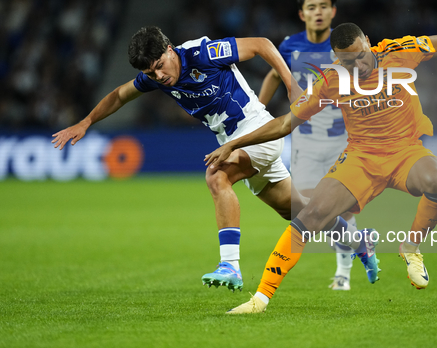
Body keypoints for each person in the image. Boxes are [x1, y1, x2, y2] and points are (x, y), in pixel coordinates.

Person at [205, 22, 437, 313]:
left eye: (360, 55)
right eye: (347, 60)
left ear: (368, 42)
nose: (357, 64)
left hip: (405, 151)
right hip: (361, 159)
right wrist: (234, 144)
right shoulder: (332, 79)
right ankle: (260, 300)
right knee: (310, 216)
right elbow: (285, 123)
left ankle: (411, 247)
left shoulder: (400, 51)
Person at [51, 26, 307, 292]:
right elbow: (120, 95)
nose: (159, 76)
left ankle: (230, 265)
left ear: (170, 49)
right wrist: (86, 122)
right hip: (235, 144)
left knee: (216, 176)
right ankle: (349, 233)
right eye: (151, 73)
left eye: (161, 65)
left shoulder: (204, 53)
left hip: (258, 132)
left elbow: (262, 44)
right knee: (300, 212)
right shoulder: (154, 77)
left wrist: (291, 86)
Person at [259, 0, 356, 291]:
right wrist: (260, 109)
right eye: (311, 7)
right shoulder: (290, 46)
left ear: (333, 12)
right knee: (307, 209)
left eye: (324, 7)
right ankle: (355, 241)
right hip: (305, 141)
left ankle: (343, 271)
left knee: (339, 204)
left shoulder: (346, 45)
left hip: (344, 139)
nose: (318, 12)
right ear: (302, 13)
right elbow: (275, 73)